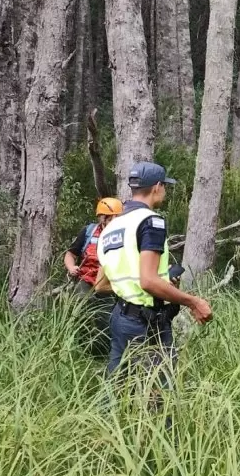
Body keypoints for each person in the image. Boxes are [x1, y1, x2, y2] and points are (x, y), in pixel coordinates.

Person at [95, 161, 212, 378]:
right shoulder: (151, 222)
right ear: (157, 187)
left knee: (119, 389)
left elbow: (103, 283)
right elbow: (147, 281)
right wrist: (193, 302)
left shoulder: (110, 228)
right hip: (146, 323)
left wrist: (163, 281)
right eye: (165, 187)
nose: (164, 191)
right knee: (161, 394)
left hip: (120, 317)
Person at [63, 197, 123, 351]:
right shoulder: (89, 232)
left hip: (108, 283)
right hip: (85, 280)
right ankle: (79, 349)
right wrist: (71, 268)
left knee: (106, 318)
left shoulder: (123, 235)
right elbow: (71, 254)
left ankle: (102, 353)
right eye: (113, 217)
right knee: (81, 314)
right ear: (103, 217)